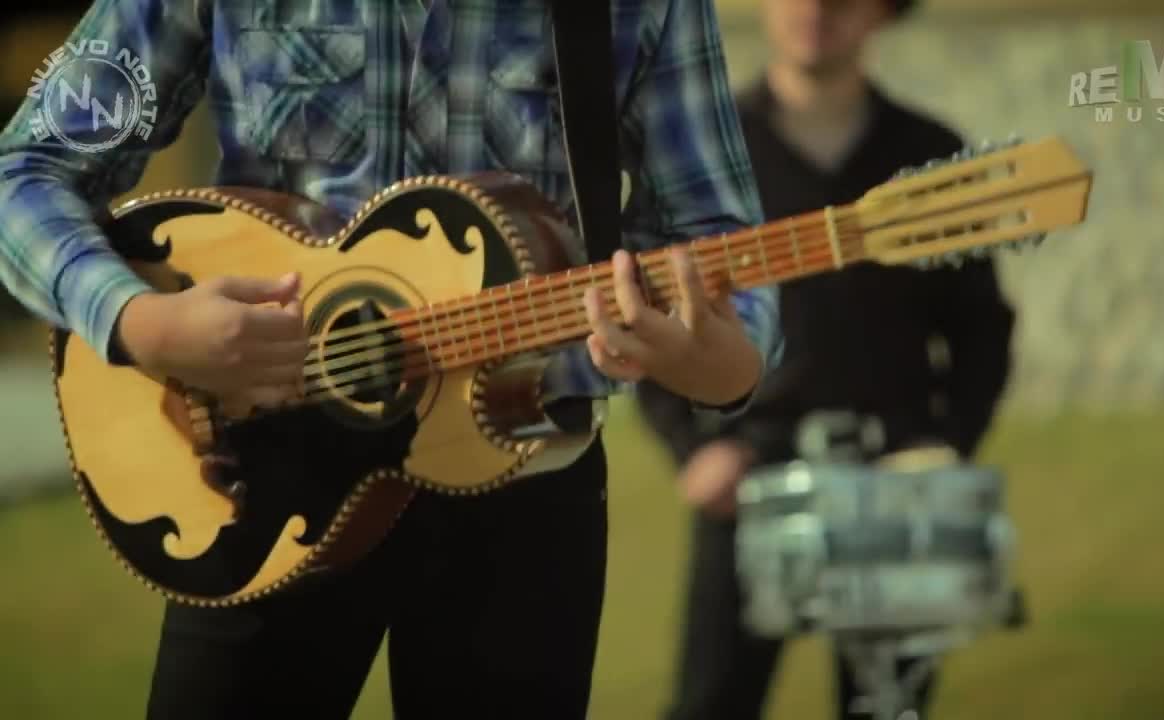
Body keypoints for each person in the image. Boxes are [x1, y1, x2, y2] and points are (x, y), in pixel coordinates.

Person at [0, 1, 783, 718]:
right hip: (256, 482)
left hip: (526, 490)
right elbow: (26, 170)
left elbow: (715, 238)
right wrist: (141, 321)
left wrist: (716, 365)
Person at [636, 0, 1017, 717]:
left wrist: (946, 442)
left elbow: (982, 329)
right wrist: (692, 448)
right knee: (711, 704)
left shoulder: (929, 154)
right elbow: (651, 316)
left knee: (887, 709)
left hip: (898, 483)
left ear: (882, 13)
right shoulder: (708, 157)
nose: (815, 11)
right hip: (749, 474)